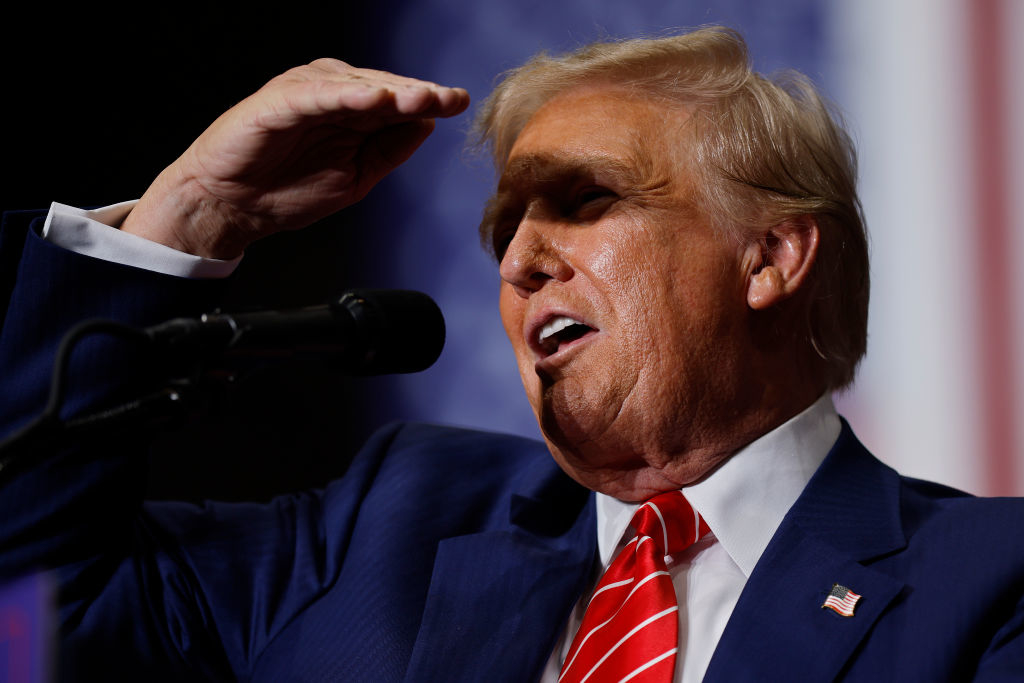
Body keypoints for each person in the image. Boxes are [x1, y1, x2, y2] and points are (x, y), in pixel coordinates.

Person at [1, 26, 1022, 682]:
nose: (524, 259)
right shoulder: (385, 522)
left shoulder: (987, 584)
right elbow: (31, 619)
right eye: (502, 233)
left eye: (585, 201)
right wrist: (188, 216)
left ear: (769, 257)